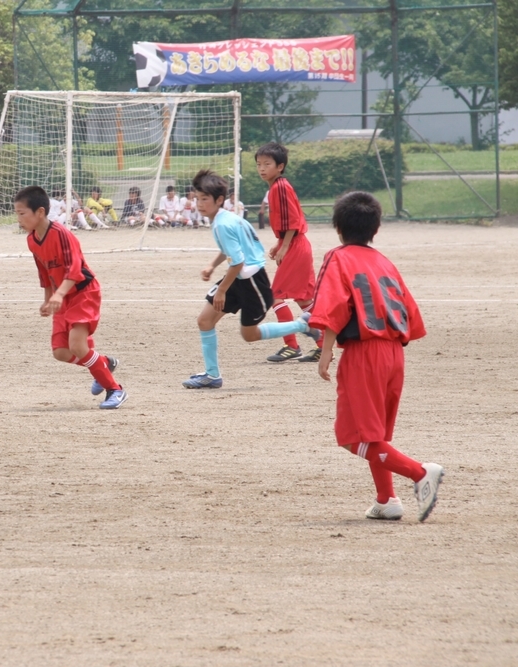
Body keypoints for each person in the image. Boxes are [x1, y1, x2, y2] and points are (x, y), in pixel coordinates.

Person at [311, 192, 443, 522]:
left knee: (350, 437)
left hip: (364, 352)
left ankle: (419, 472)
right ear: (376, 228)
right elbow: (410, 312)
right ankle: (386, 500)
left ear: (338, 227)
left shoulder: (337, 257)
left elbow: (332, 305)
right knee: (375, 435)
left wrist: (325, 351)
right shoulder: (384, 261)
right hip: (394, 352)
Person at [182, 170, 317, 389]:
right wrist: (213, 265)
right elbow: (232, 250)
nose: (200, 204)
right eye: (197, 198)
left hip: (253, 282)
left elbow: (237, 261)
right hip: (239, 278)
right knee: (205, 321)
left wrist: (222, 290)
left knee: (250, 335)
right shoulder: (226, 218)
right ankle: (212, 375)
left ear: (219, 200)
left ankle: (302, 325)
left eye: (205, 199)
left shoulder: (222, 224)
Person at [14, 185, 126, 409]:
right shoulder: (32, 240)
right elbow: (44, 272)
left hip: (83, 292)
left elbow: (75, 270)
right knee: (61, 352)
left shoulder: (61, 234)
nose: (18, 219)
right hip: (62, 297)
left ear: (40, 212)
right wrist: (48, 298)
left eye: (22, 213)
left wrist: (59, 294)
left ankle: (115, 389)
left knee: (77, 345)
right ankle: (103, 364)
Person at [256, 141, 319, 363]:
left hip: (295, 246)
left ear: (280, 166)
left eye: (267, 164)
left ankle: (291, 345)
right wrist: (280, 242)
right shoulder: (277, 186)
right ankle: (322, 345)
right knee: (304, 299)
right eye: (259, 164)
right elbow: (289, 221)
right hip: (296, 244)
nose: (262, 168)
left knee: (275, 296)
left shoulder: (279, 187)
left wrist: (284, 246)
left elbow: (292, 220)